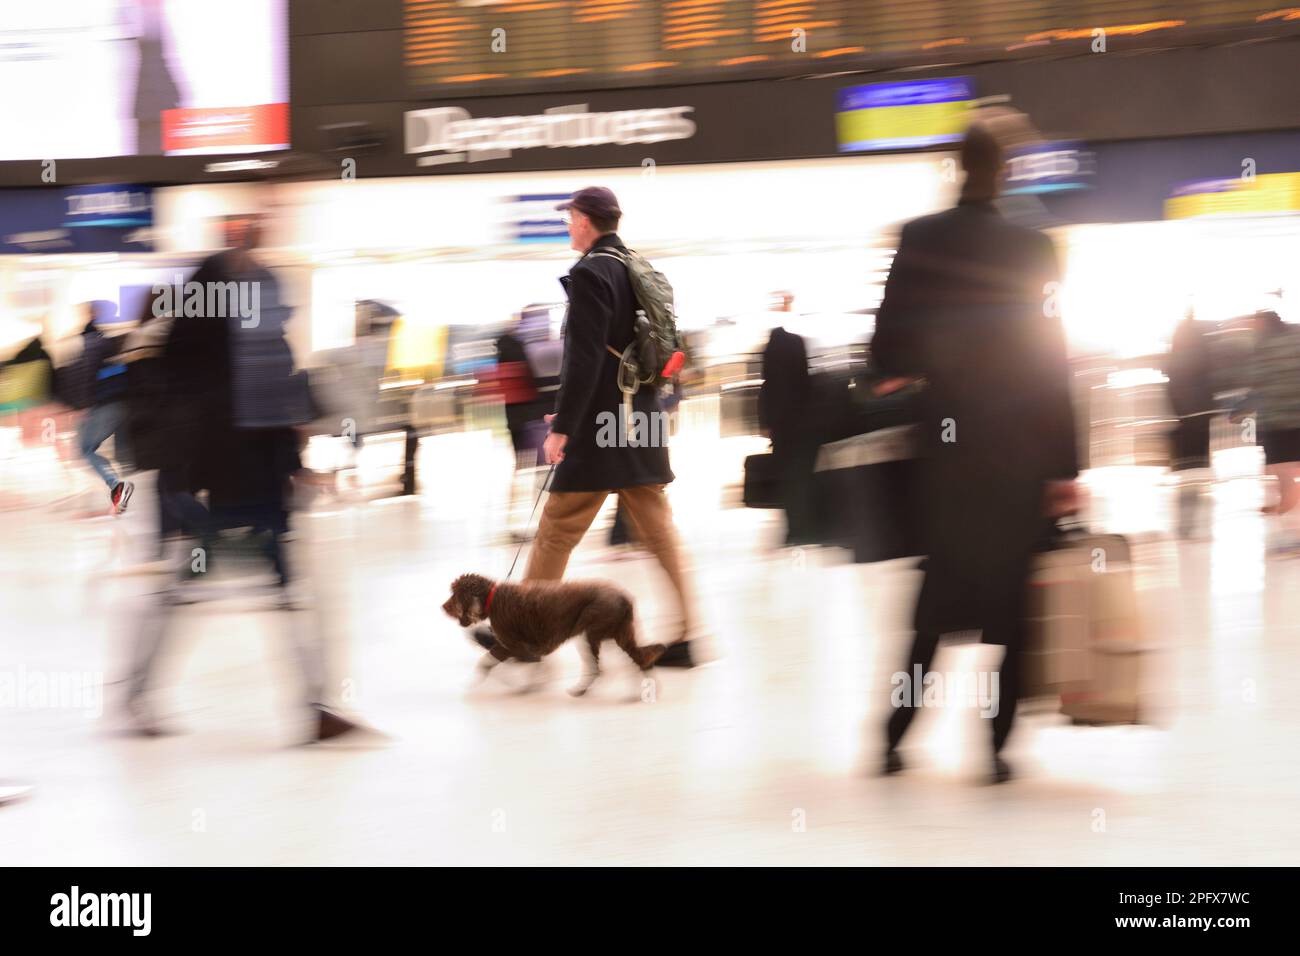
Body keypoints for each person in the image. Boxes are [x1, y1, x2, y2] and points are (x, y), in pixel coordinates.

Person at [871, 119, 1079, 783]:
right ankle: (996, 749)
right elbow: (1053, 360)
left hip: (945, 448)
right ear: (1008, 171)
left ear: (954, 168)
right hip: (1017, 451)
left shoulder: (919, 239)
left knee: (937, 598)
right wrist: (1066, 467)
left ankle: (893, 736)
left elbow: (885, 353)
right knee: (1011, 603)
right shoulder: (1035, 248)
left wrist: (921, 371)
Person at [126, 204, 364, 742]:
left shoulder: (262, 324)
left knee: (269, 590)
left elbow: (277, 405)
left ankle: (314, 706)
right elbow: (195, 402)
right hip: (220, 485)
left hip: (253, 484)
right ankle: (138, 693)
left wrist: (297, 461)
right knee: (196, 589)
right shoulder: (205, 323)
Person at [482, 186, 699, 668]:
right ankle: (689, 633)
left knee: (557, 527)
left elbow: (582, 359)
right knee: (660, 531)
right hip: (641, 414)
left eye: (570, 218)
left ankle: (524, 636)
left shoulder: (590, 274)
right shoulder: (633, 266)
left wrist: (564, 426)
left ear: (585, 220)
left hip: (604, 425)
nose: (568, 226)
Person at [66, 301, 135, 513]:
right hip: (118, 401)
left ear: (90, 313)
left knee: (84, 449)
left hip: (104, 403)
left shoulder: (90, 341)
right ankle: (117, 486)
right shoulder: (106, 340)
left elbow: (87, 374)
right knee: (89, 449)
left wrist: (83, 404)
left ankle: (116, 485)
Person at [758, 319, 817, 545]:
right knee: (803, 477)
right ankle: (805, 527)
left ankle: (793, 529)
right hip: (801, 421)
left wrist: (766, 424)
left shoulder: (771, 350)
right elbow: (806, 380)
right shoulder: (797, 343)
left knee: (788, 479)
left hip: (781, 427)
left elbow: (766, 387)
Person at [1248, 307, 1300, 552]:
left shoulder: (1262, 346)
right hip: (1293, 418)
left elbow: (1258, 384)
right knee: (1287, 475)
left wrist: (1239, 409)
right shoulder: (1296, 336)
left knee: (1284, 476)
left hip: (1277, 422)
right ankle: (1290, 531)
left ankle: (1291, 537)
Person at [1165, 309, 1215, 539]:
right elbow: (1211, 380)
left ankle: (1184, 523)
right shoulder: (1202, 351)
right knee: (1197, 469)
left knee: (1186, 471)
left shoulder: (1175, 358)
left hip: (1184, 420)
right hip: (1201, 418)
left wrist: (1179, 412)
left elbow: (1170, 388)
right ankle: (1190, 522)